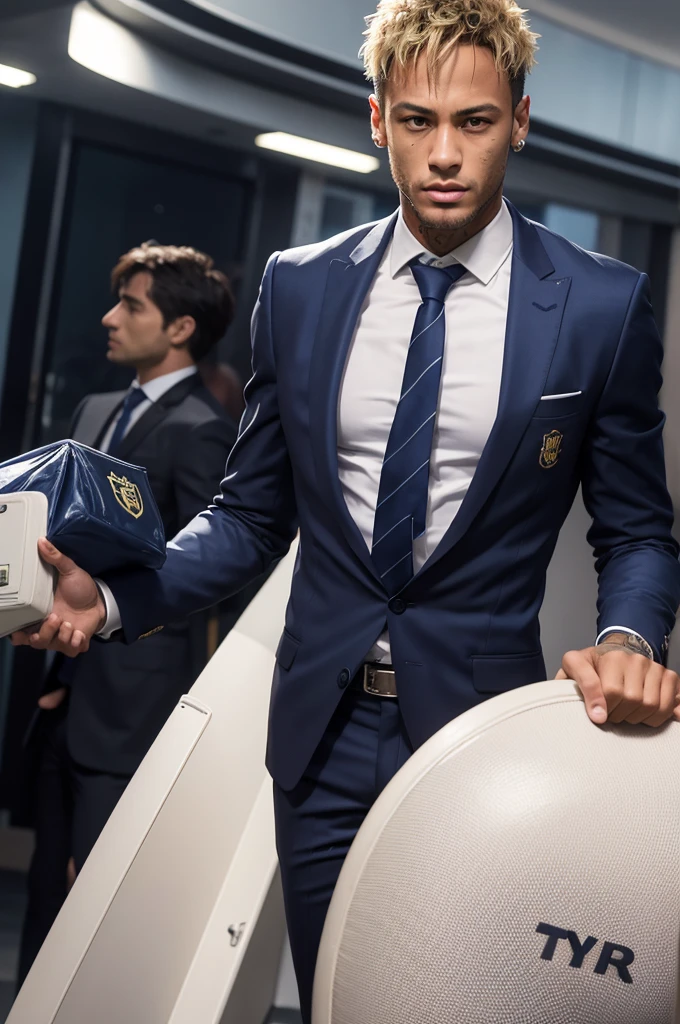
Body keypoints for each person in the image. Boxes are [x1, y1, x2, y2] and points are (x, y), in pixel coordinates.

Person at [12, 1, 680, 1018]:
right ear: (377, 122)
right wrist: (108, 595)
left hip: (469, 736)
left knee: (452, 998)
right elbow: (246, 514)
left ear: (521, 121)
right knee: (338, 995)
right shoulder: (302, 287)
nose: (444, 153)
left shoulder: (597, 302)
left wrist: (627, 635)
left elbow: (633, 526)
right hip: (317, 737)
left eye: (474, 122)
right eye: (416, 121)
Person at [17, 243, 239, 984]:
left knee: (98, 900)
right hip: (64, 682)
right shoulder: (96, 408)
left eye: (132, 306)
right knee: (45, 892)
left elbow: (206, 570)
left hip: (133, 698)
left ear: (180, 328)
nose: (110, 318)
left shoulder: (205, 428)